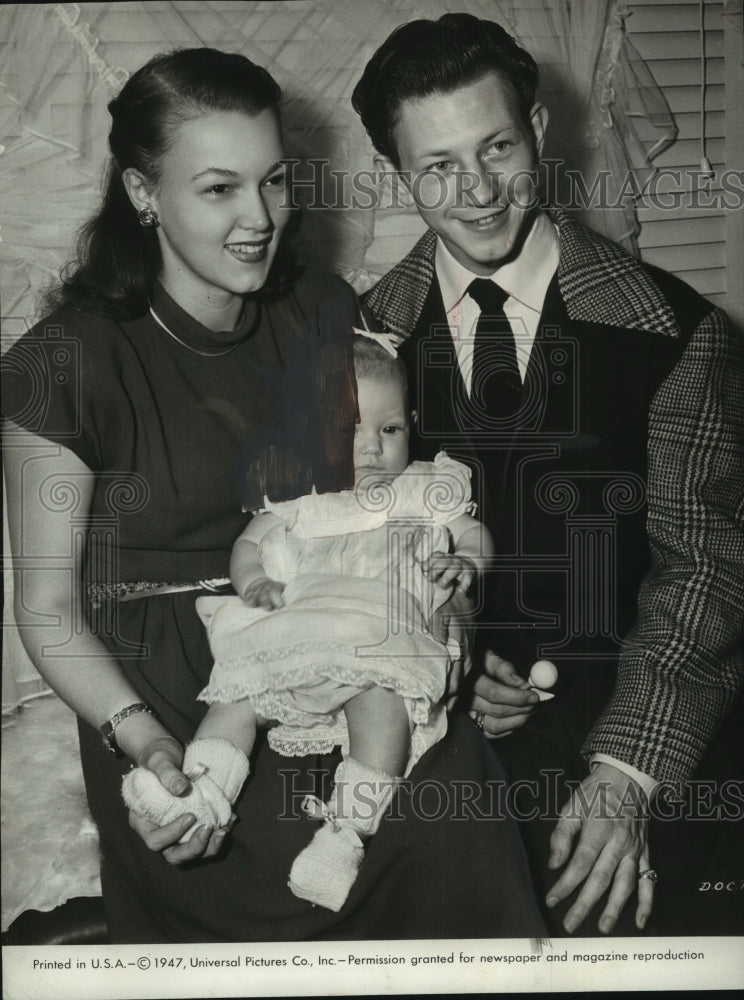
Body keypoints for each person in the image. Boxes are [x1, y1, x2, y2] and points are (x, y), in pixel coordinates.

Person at [2, 45, 546, 943]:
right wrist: (141, 741)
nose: (260, 218)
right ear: (143, 195)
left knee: (456, 824)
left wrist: (454, 618)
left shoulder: (322, 310)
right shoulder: (60, 364)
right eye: (218, 189)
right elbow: (49, 609)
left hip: (342, 623)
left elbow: (399, 501)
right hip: (173, 687)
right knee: (239, 882)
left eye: (275, 181)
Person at [352, 13, 744, 937]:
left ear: (539, 128)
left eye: (496, 146)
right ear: (397, 175)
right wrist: (445, 661)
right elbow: (352, 554)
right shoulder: (359, 346)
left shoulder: (681, 332)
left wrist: (628, 774)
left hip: (649, 731)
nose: (478, 190)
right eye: (437, 165)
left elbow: (709, 570)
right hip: (443, 750)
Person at [122, 333, 493, 914]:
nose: (370, 448)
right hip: (296, 630)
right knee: (239, 695)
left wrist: (465, 562)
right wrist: (253, 583)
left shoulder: (428, 486)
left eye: (389, 429)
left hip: (379, 636)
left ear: (412, 425)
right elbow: (249, 546)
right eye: (348, 430)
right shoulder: (299, 493)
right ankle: (202, 788)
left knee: (383, 706)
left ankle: (346, 835)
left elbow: (474, 535)